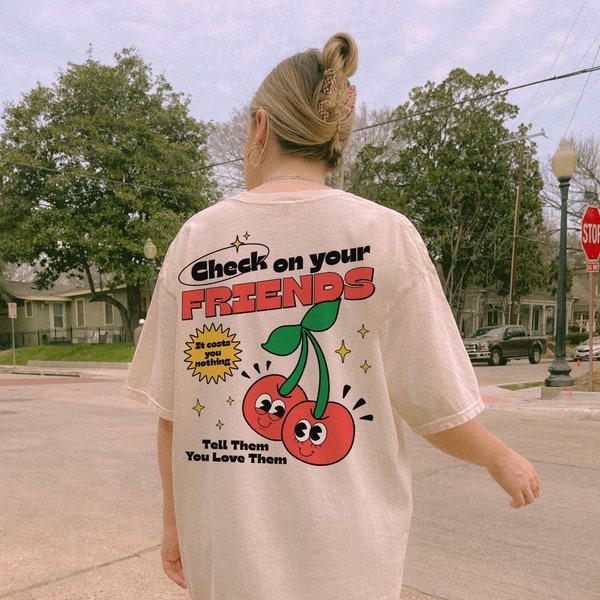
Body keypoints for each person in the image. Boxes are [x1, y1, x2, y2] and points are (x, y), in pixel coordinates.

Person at [124, 33, 541, 600]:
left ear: (260, 129)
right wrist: (499, 457)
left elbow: (173, 412)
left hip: (227, 558)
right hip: (350, 564)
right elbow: (437, 403)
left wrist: (173, 523)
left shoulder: (197, 241)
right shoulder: (386, 236)